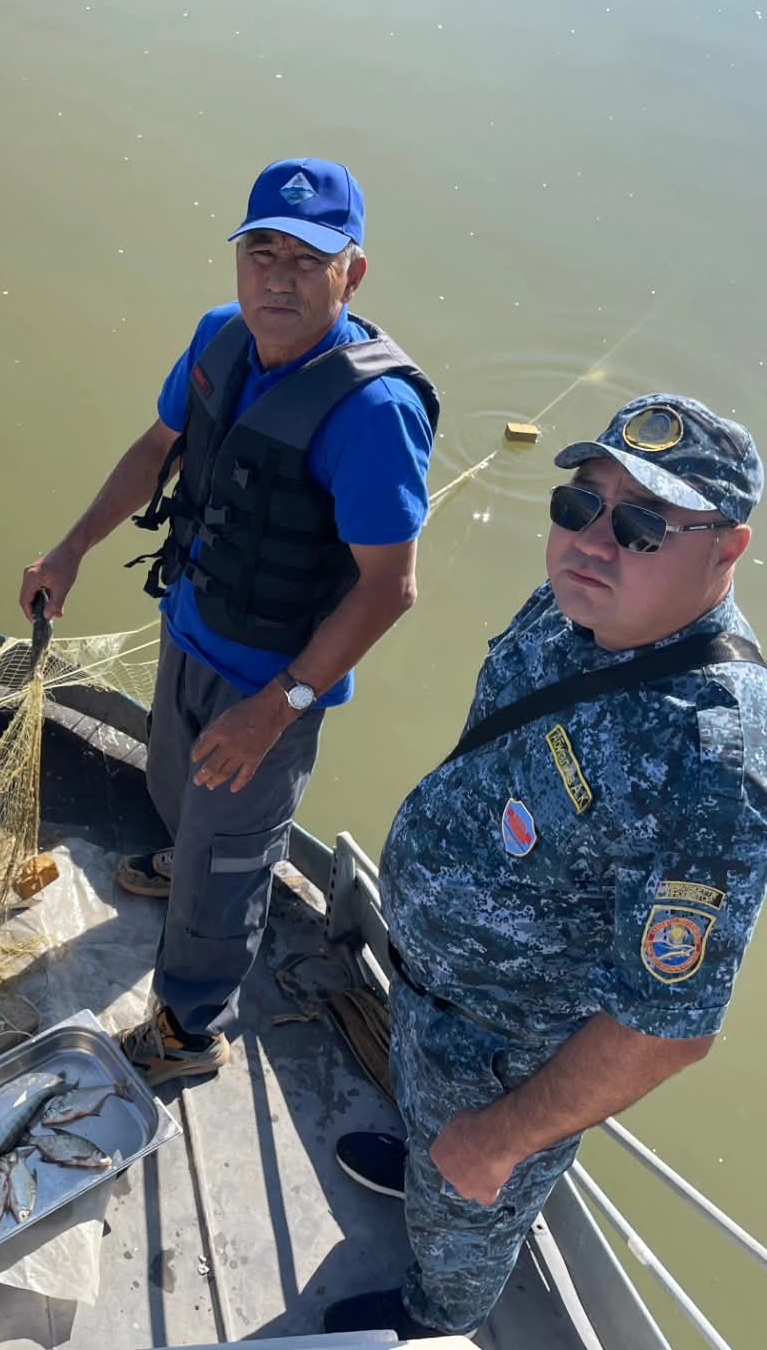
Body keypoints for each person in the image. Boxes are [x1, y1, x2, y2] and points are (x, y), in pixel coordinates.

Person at [324, 396, 767, 1339]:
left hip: (504, 1063)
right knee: (434, 1149)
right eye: (580, 505)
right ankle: (428, 1155)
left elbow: (666, 1030)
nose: (593, 542)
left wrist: (501, 1138)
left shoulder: (711, 766)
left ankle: (434, 1313)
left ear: (727, 550)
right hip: (428, 996)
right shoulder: (572, 610)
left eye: (643, 526)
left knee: (466, 1218)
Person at [19, 158, 439, 1085]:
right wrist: (72, 547)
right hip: (191, 627)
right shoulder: (220, 337)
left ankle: (189, 1030)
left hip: (274, 683)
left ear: (353, 275)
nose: (279, 279)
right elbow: (156, 447)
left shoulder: (375, 413)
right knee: (174, 786)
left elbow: (389, 589)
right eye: (263, 253)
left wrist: (278, 706)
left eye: (308, 259)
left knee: (229, 866)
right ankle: (188, 852)